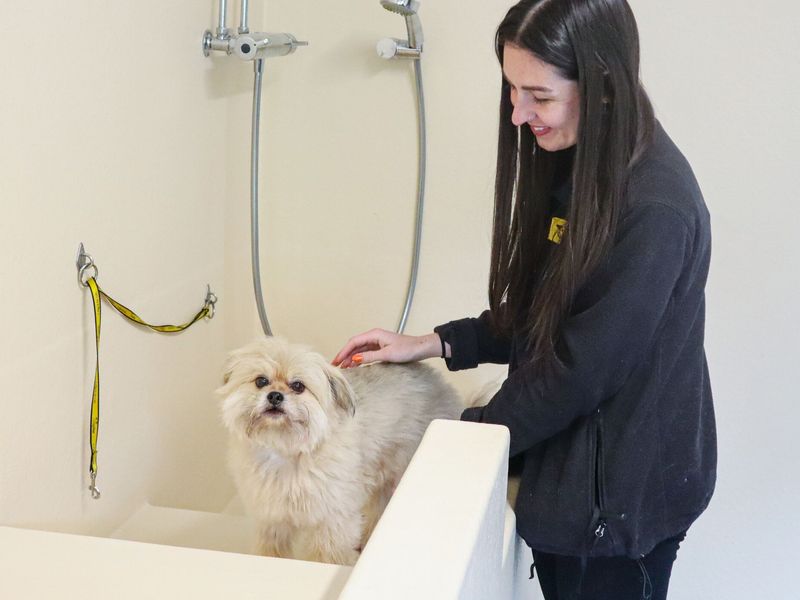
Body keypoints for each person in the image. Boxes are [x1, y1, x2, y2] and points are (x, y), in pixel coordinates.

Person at [332, 0, 716, 598]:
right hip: (578, 475)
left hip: (616, 502)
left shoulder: (653, 210)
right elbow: (552, 310)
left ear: (605, 85)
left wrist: (461, 435)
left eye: (539, 95)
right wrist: (438, 341)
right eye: (512, 90)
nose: (518, 114)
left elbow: (578, 368)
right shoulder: (584, 162)